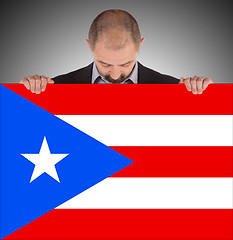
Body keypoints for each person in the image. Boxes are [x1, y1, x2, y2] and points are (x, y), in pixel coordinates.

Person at [20, 9, 213, 94]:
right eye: (104, 63)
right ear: (89, 46)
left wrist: (203, 93)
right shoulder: (56, 88)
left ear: (140, 46)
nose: (115, 75)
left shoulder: (173, 90)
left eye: (125, 64)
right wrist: (26, 93)